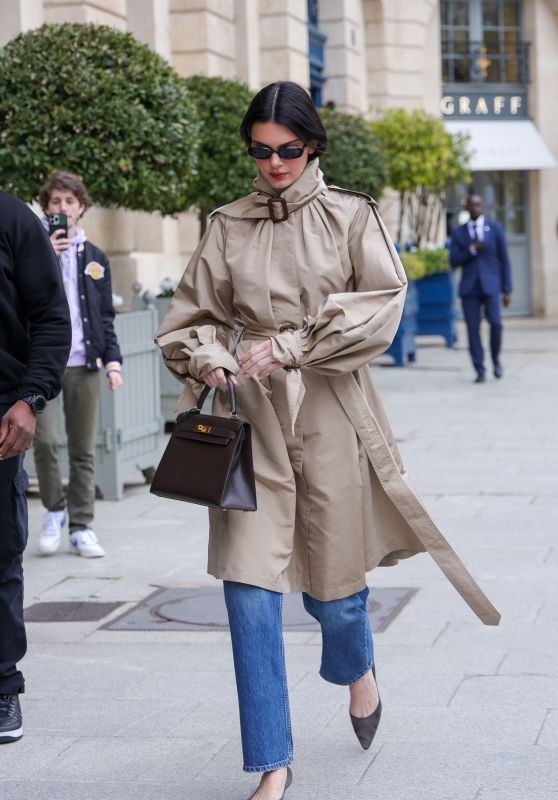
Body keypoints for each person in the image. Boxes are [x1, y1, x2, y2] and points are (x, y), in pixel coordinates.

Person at [156, 82, 500, 800]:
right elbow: (191, 316)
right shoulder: (225, 225)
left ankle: (357, 667)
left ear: (311, 144)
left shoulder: (351, 215)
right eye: (259, 150)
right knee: (249, 593)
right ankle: (272, 766)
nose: (273, 162)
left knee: (336, 596)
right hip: (247, 422)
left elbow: (382, 303)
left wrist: (293, 345)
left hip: (331, 415)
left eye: (286, 149)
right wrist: (211, 355)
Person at [0, 190, 71, 743]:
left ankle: (2, 687)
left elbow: (51, 315)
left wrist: (31, 398)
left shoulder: (12, 217)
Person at [34, 171, 123, 558]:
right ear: (46, 207)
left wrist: (114, 362)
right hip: (43, 365)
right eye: (55, 202)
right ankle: (54, 510)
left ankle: (82, 525)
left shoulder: (96, 258)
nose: (63, 209)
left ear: (81, 207)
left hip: (85, 363)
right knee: (46, 440)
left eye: (69, 202)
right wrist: (47, 257)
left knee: (83, 450)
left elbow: (104, 316)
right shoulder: (33, 250)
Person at [450, 194, 512, 383]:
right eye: (472, 205)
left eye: (478, 204)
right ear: (467, 208)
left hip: (492, 286)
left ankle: (496, 360)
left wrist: (507, 289)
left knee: (496, 323)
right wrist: (472, 249)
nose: (476, 207)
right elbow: (453, 261)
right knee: (473, 330)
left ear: (482, 206)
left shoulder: (495, 229)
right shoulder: (459, 233)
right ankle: (480, 369)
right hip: (470, 289)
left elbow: (504, 260)